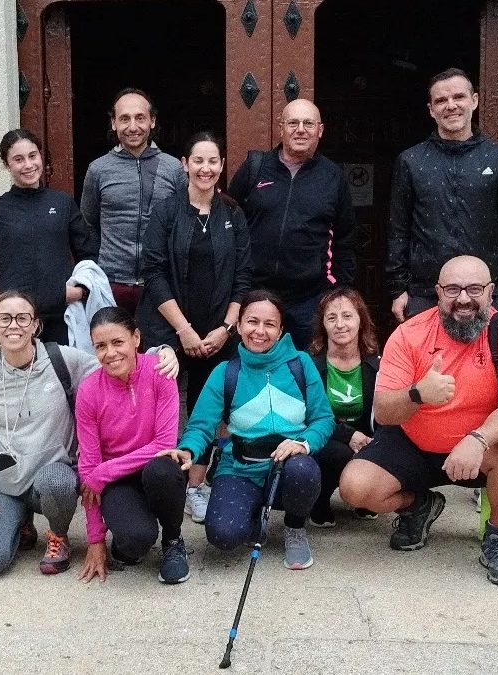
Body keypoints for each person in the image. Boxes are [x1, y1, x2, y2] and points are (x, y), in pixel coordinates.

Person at [338, 256, 498, 586]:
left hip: (479, 449)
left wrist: (478, 438)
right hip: (414, 443)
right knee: (355, 487)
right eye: (452, 289)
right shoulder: (408, 334)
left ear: (491, 292)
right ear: (437, 292)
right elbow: (385, 412)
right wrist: (417, 394)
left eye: (474, 289)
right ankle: (420, 506)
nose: (463, 299)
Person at [0, 292, 178, 579]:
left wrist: (162, 352)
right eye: (4, 318)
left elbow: (118, 360)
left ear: (35, 325)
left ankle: (58, 536)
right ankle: (20, 522)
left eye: (22, 318)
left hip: (51, 477)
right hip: (5, 484)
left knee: (57, 482)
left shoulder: (61, 359)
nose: (14, 326)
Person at [158, 290, 335, 570]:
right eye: (252, 322)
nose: (260, 331)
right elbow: (201, 425)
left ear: (280, 330)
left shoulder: (300, 364)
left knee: (303, 469)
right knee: (223, 537)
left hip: (289, 468)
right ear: (239, 326)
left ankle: (295, 527)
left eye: (270, 324)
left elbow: (324, 419)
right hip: (240, 467)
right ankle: (252, 511)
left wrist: (303, 443)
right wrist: (188, 449)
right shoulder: (225, 372)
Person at [138, 130, 253, 524]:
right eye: (198, 160)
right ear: (185, 165)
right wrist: (183, 331)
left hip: (218, 331)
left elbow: (243, 276)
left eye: (213, 161)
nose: (206, 168)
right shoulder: (166, 212)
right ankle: (160, 482)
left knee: (206, 410)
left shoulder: (233, 214)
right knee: (164, 409)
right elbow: (152, 273)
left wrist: (226, 328)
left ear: (222, 166)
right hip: (170, 328)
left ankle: (197, 486)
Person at [386, 67, 498, 323]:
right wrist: (398, 289)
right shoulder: (411, 161)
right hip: (425, 292)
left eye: (458, 97)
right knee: (428, 363)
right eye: (441, 100)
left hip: (484, 292)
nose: (451, 106)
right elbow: (398, 230)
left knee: (484, 362)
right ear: (431, 109)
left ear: (474, 101)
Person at [229, 98, 357, 350]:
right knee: (251, 371)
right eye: (293, 122)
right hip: (254, 294)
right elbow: (228, 224)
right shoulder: (255, 168)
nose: (300, 129)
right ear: (281, 127)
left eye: (308, 123)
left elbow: (345, 238)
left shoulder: (332, 177)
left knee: (303, 372)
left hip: (308, 300)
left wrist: (336, 291)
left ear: (320, 130)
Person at [75, 307, 188, 584]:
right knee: (134, 543)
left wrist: (102, 473)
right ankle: (133, 530)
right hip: (119, 481)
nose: (110, 353)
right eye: (100, 346)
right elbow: (88, 468)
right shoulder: (89, 391)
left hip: (153, 468)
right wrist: (95, 540)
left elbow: (164, 443)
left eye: (117, 342)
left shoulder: (160, 372)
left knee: (163, 469)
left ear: (136, 338)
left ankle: (173, 541)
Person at [0, 129, 99, 344]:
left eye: (33, 156)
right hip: (15, 320)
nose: (28, 165)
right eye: (18, 159)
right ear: (6, 164)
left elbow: (88, 254)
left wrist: (80, 290)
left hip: (61, 316)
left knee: (63, 375)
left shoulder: (62, 203)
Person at [80, 88, 185, 315]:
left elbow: (183, 222)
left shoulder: (173, 168)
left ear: (153, 121)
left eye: (140, 118)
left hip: (160, 282)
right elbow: (88, 225)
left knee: (158, 350)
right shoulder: (98, 169)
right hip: (111, 282)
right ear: (113, 123)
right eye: (124, 119)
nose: (133, 127)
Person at [306, 287, 381, 527]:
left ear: (361, 320)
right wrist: (349, 435)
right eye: (332, 318)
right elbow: (308, 415)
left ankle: (364, 497)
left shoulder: (377, 365)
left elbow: (384, 415)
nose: (340, 324)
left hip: (367, 438)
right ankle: (319, 499)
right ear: (323, 325)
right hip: (325, 437)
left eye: (347, 316)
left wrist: (371, 440)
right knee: (339, 453)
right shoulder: (310, 365)